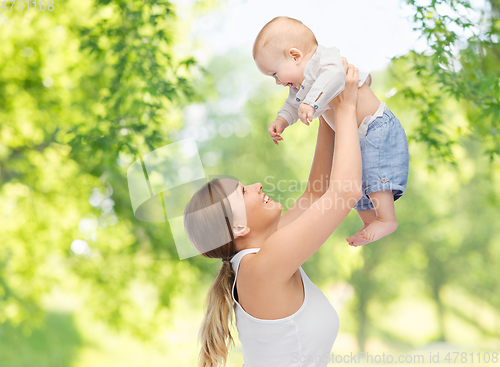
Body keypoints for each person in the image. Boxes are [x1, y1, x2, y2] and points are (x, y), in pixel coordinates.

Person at [184, 59, 362, 367]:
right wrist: (346, 109)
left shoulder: (263, 255)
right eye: (242, 192)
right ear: (237, 228)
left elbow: (316, 193)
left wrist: (324, 104)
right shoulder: (259, 269)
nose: (255, 186)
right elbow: (344, 192)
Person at [253, 16, 410, 247]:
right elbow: (293, 105)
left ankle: (387, 218)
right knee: (358, 182)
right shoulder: (300, 84)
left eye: (275, 74)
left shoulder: (324, 61)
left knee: (375, 178)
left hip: (375, 126)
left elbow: (334, 77)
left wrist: (312, 103)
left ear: (295, 56)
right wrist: (282, 120)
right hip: (359, 135)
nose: (276, 82)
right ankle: (370, 222)